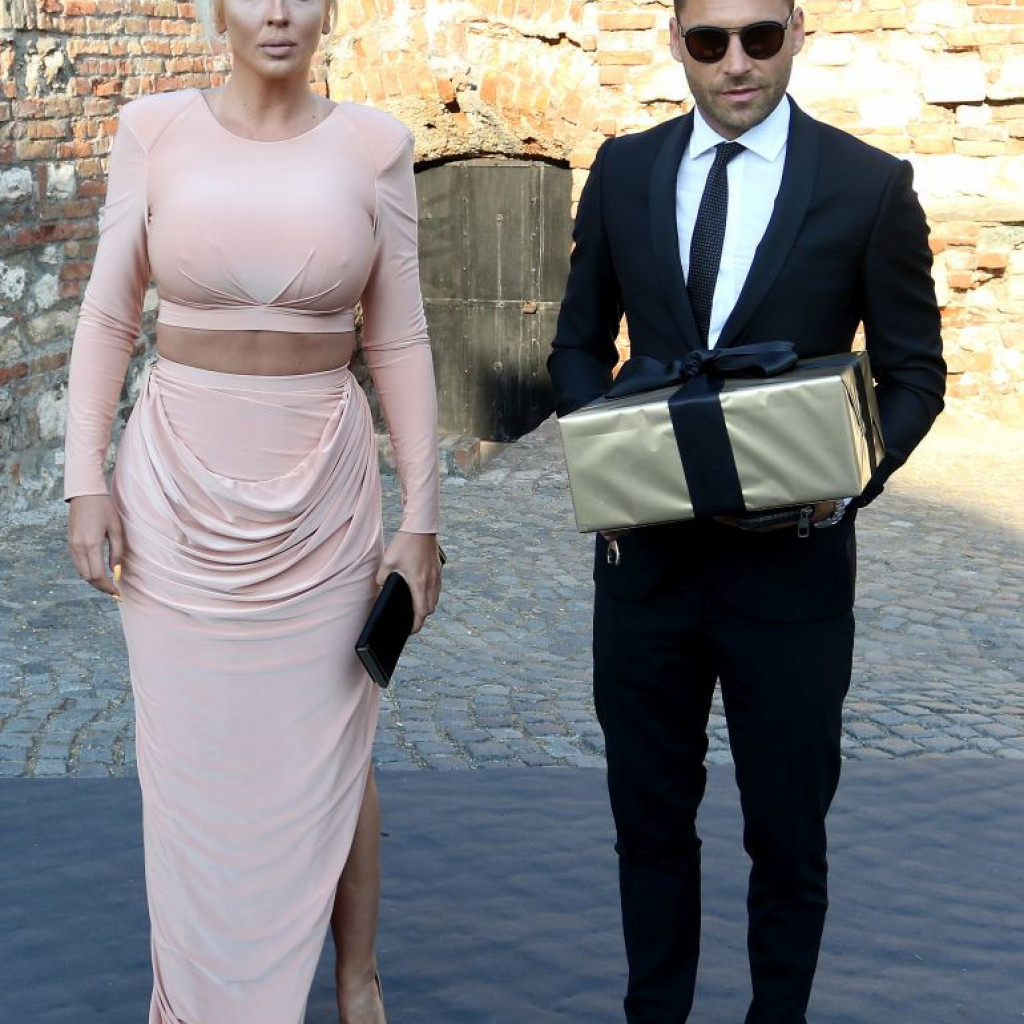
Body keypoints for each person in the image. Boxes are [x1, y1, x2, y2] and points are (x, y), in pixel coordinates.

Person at [547, 1, 945, 1022]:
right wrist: (604, 454)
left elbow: (914, 374)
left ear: (798, 33)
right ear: (675, 41)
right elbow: (577, 342)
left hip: (792, 573)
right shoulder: (624, 170)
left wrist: (848, 478)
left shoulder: (867, 185)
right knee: (647, 826)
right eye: (709, 40)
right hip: (644, 569)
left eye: (759, 37)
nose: (736, 62)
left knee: (788, 836)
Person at [63, 0, 441, 1020]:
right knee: (187, 766)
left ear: (329, 12)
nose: (276, 11)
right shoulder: (152, 130)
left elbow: (399, 337)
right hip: (176, 492)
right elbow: (108, 312)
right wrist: (84, 480)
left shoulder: (376, 145)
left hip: (325, 500)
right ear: (216, 13)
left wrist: (422, 519)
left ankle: (356, 982)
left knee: (332, 749)